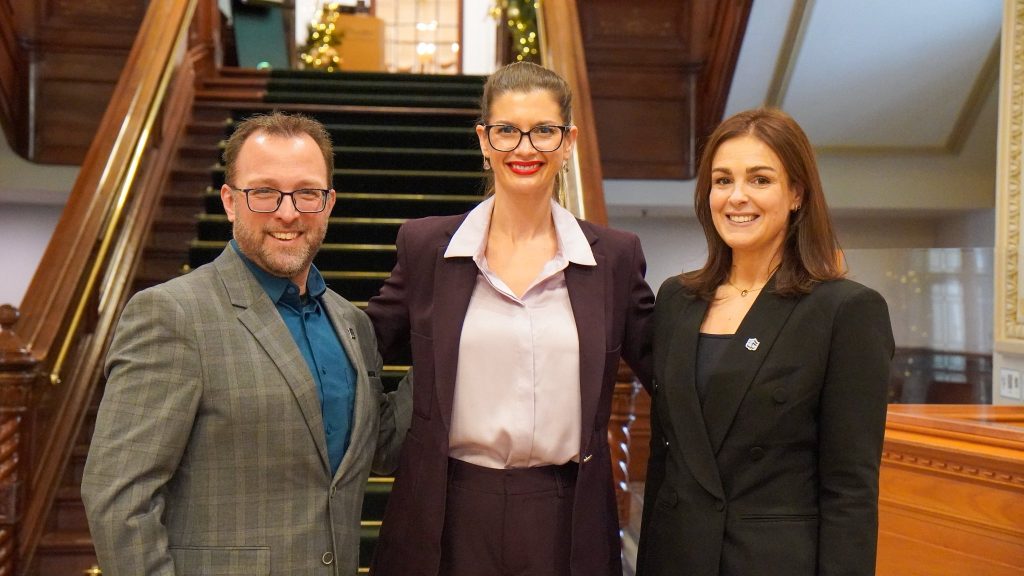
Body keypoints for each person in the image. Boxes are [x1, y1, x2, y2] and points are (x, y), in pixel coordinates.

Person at [82, 112, 411, 575]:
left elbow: (382, 449)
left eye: (307, 193)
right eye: (264, 192)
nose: (288, 212)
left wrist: (458, 336)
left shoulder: (351, 324)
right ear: (230, 201)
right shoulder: (172, 314)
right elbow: (118, 497)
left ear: (328, 203)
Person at [364, 61, 654, 576]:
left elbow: (668, 372)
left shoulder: (614, 257)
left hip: (565, 511)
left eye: (543, 131)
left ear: (568, 142)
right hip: (447, 508)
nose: (525, 148)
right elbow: (359, 351)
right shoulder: (428, 248)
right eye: (507, 131)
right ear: (484, 139)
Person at [635, 107, 894, 576]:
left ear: (796, 193)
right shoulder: (675, 299)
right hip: (676, 557)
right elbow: (663, 458)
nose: (737, 197)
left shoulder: (846, 310)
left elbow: (850, 489)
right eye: (722, 180)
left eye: (759, 179)